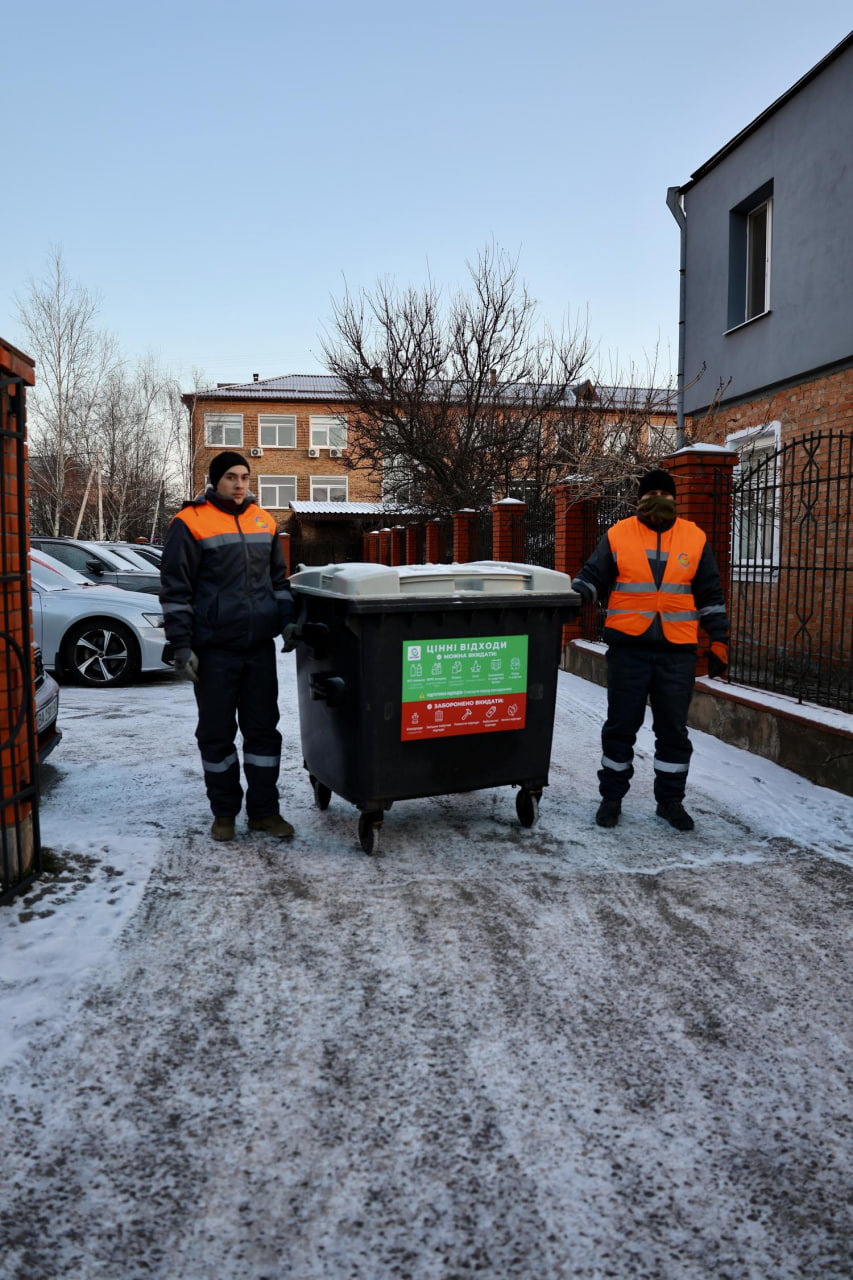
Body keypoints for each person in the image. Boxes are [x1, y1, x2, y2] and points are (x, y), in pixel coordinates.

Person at [572, 468, 729, 832]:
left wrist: (718, 638)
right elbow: (593, 577)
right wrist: (576, 595)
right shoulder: (619, 534)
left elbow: (709, 594)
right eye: (650, 493)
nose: (658, 499)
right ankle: (611, 799)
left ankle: (670, 803)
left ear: (675, 499)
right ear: (638, 500)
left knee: (673, 730)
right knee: (620, 727)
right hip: (629, 650)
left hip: (677, 652)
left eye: (665, 493)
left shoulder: (694, 537)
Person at [159, 451, 296, 842]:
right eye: (232, 477)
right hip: (215, 651)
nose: (240, 484)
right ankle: (224, 813)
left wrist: (286, 621)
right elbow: (176, 591)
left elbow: (279, 582)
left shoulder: (263, 520)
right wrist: (181, 645)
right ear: (215, 480)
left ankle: (264, 813)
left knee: (264, 734)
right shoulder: (190, 522)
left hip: (257, 650)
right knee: (217, 735)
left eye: (245, 477)